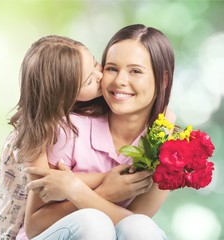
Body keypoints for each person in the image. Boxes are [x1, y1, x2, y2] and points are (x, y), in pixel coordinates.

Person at [0, 35, 153, 239]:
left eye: (95, 64)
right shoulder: (38, 132)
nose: (100, 76)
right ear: (65, 94)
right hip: (18, 233)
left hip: (68, 225)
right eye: (88, 80)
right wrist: (106, 184)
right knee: (94, 222)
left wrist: (71, 185)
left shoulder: (90, 113)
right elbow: (48, 184)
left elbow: (63, 183)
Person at [24, 24, 176, 240]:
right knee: (93, 222)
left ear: (163, 80)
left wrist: (75, 189)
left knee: (140, 227)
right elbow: (34, 227)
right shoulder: (69, 130)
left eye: (135, 71)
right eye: (112, 68)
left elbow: (134, 224)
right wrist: (105, 190)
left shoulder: (166, 147)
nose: (119, 81)